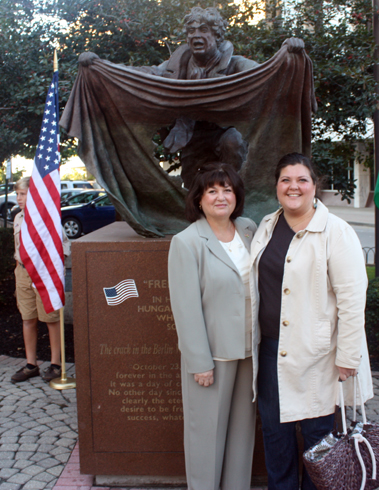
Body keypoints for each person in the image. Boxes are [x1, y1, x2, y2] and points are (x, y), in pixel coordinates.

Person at [78, 6, 306, 189]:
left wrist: (288, 55)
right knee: (193, 189)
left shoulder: (235, 64)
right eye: (191, 31)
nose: (196, 35)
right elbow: (145, 74)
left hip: (224, 131)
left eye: (203, 30)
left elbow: (267, 74)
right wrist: (102, 67)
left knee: (233, 142)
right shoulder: (175, 66)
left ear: (216, 35)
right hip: (191, 136)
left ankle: (233, 195)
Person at [250, 153, 373, 490]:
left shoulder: (336, 232)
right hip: (271, 351)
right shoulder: (267, 226)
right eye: (286, 180)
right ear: (276, 186)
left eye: (302, 180)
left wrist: (348, 357)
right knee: (276, 437)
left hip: (318, 354)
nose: (294, 187)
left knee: (320, 443)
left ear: (314, 186)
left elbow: (352, 299)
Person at [168, 163, 257, 490]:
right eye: (212, 190)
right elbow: (185, 307)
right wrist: (199, 362)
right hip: (213, 357)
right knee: (205, 435)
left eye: (228, 189)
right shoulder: (187, 242)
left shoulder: (248, 228)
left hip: (250, 351)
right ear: (199, 199)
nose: (221, 197)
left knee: (242, 433)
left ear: (237, 196)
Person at [11, 177, 71, 383]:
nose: (18, 198)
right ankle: (31, 364)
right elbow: (17, 247)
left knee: (51, 319)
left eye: (22, 194)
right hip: (22, 273)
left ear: (34, 195)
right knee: (27, 318)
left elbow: (64, 245)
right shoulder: (18, 218)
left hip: (43, 274)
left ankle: (55, 364)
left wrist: (55, 268)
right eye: (17, 194)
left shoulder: (47, 219)